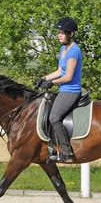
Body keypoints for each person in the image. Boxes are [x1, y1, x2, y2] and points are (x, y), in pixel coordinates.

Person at [35, 17, 83, 162]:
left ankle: (66, 151)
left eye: (63, 33)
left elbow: (68, 76)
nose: (59, 35)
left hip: (71, 90)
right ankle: (51, 146)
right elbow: (59, 70)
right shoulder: (63, 48)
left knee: (54, 117)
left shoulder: (74, 51)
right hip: (63, 89)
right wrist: (44, 78)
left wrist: (52, 83)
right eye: (59, 32)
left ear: (71, 34)